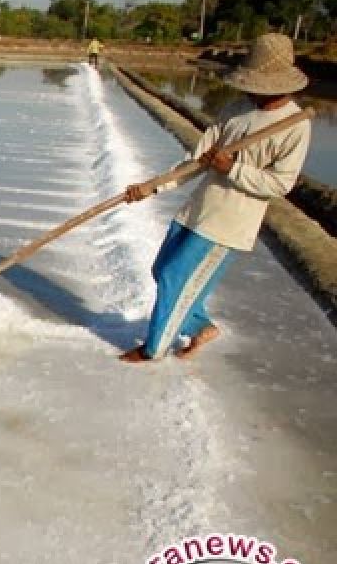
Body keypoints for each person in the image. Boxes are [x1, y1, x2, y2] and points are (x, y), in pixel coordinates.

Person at [120, 33, 311, 364]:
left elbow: (280, 184)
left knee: (174, 279)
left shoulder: (294, 126)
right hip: (199, 207)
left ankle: (154, 349)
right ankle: (201, 327)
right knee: (162, 270)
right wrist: (153, 186)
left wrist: (234, 168)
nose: (253, 92)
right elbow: (199, 159)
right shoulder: (237, 109)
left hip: (228, 223)